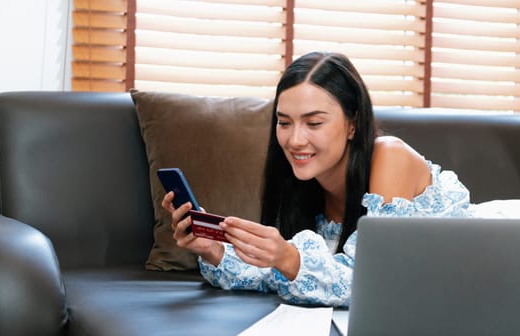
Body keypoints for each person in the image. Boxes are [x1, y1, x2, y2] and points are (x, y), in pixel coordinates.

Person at [162, 51, 516, 307]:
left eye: (314, 123)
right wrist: (214, 249)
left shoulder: (389, 157)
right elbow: (287, 274)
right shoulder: (302, 182)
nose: (295, 139)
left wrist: (288, 258)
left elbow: (376, 284)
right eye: (284, 123)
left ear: (352, 124)